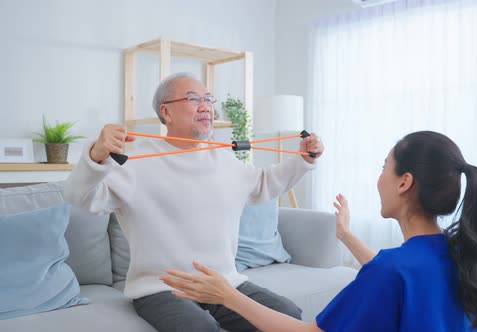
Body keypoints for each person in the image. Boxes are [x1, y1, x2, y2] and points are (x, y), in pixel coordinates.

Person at [160, 131, 477, 332]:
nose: (379, 177)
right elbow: (398, 279)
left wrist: (228, 296)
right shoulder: (459, 254)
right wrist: (345, 235)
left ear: (405, 182)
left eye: (385, 168)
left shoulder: (391, 269)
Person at [64, 72, 324, 332]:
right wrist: (96, 156)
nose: (206, 107)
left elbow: (263, 184)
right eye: (193, 99)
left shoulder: (222, 158)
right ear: (166, 112)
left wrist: (303, 159)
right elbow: (81, 198)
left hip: (223, 283)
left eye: (209, 99)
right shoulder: (135, 162)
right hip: (162, 288)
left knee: (287, 314)